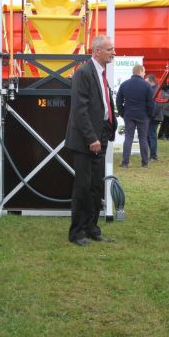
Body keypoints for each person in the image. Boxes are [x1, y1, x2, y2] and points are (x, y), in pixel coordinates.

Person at [64, 35, 117, 246]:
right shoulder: (83, 73)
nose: (113, 53)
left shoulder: (101, 73)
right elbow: (80, 110)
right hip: (86, 139)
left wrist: (109, 128)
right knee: (83, 186)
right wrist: (91, 138)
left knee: (96, 186)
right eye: (109, 49)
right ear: (96, 51)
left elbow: (103, 103)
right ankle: (77, 233)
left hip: (100, 135)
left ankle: (92, 228)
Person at [115, 64, 154, 168]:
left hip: (129, 114)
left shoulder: (124, 84)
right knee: (143, 138)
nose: (145, 73)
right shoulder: (147, 86)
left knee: (128, 137)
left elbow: (118, 101)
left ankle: (125, 162)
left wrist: (123, 113)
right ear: (140, 71)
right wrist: (149, 115)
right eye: (144, 71)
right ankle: (145, 163)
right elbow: (150, 103)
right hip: (143, 115)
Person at [145, 73, 163, 161]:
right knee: (148, 135)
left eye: (146, 81)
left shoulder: (157, 89)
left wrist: (151, 115)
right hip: (152, 116)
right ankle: (152, 155)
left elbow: (157, 104)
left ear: (151, 81)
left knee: (151, 135)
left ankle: (153, 156)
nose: (145, 84)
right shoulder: (152, 89)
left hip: (154, 116)